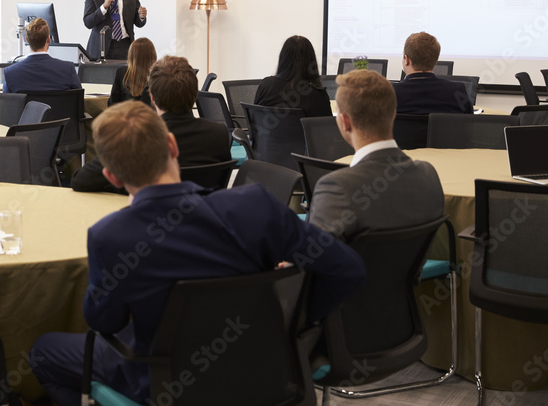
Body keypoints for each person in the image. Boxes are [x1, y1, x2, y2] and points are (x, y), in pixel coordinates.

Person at [31, 101, 366, 406]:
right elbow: (347, 269)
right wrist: (293, 324)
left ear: (112, 177)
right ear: (172, 146)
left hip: (163, 382)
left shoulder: (110, 236)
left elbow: (104, 321)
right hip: (264, 370)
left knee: (42, 351)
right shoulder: (256, 206)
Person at [308, 70, 444, 240]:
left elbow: (312, 261)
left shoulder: (336, 186)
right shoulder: (428, 175)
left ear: (345, 122)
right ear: (393, 115)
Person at [72, 55, 230, 193]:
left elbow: (81, 181)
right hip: (202, 221)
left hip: (141, 222)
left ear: (152, 98)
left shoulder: (135, 137)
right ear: (195, 94)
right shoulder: (219, 134)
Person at [392, 31, 472, 114]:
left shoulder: (391, 93)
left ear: (407, 60)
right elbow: (469, 123)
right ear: (435, 59)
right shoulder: (457, 90)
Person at [254, 35, 332, 117]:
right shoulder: (318, 95)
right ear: (311, 62)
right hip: (301, 130)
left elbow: (254, 118)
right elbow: (326, 127)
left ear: (283, 59)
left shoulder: (266, 85)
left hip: (267, 130)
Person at [2, 18, 82, 93]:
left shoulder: (10, 73)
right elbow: (79, 104)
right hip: (58, 108)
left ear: (27, 40)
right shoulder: (67, 69)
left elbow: (6, 106)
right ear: (48, 39)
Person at [108, 37, 156, 106]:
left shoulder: (121, 72)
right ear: (153, 55)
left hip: (124, 115)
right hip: (151, 116)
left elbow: (112, 104)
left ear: (131, 55)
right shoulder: (158, 75)